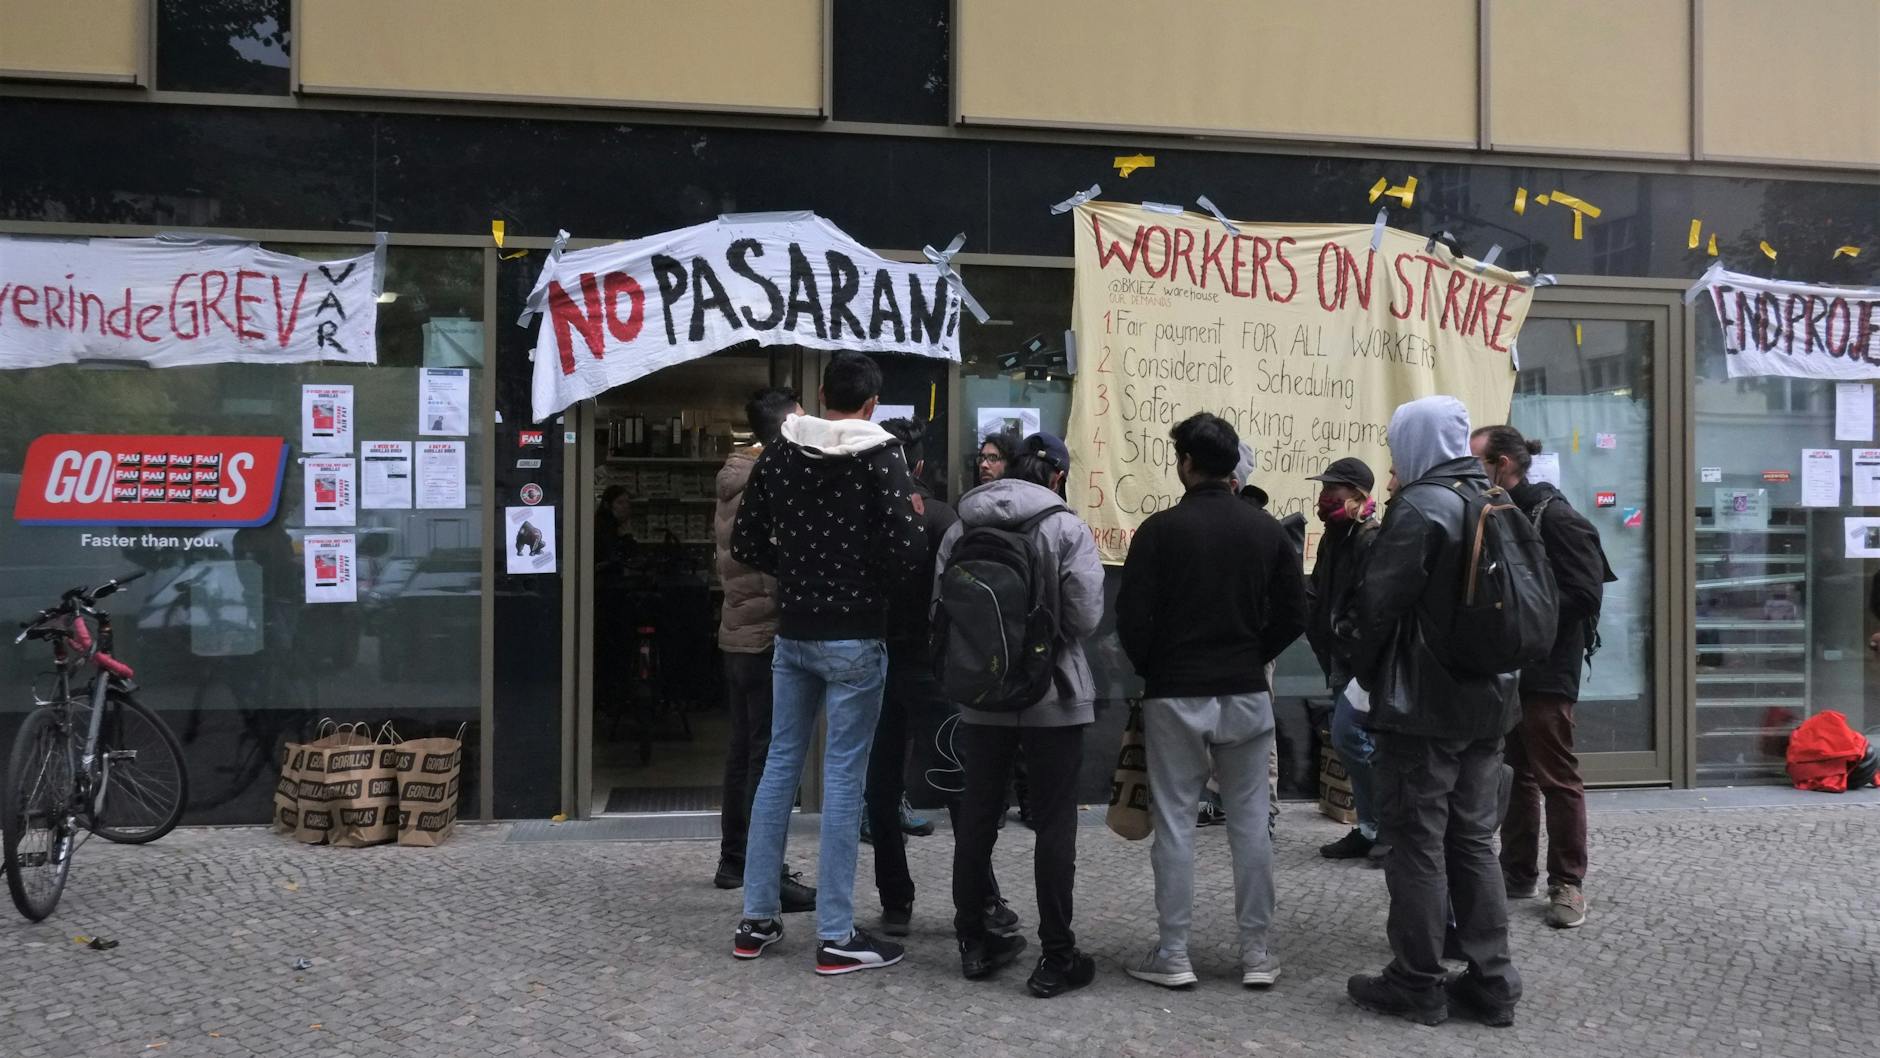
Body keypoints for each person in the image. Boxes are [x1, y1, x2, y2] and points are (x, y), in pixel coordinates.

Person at [728, 352, 925, 975]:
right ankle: (837, 935)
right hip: (857, 634)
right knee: (843, 780)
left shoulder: (783, 450)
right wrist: (864, 583)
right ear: (871, 405)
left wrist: (802, 575)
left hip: (794, 631)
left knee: (779, 769)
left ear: (819, 392)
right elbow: (907, 548)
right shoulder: (882, 453)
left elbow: (747, 541)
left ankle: (757, 918)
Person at [1347, 395, 1522, 1027]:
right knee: (1474, 840)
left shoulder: (1421, 505)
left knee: (1417, 843)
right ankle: (1492, 980)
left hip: (1423, 706)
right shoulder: (1497, 500)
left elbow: (1377, 606)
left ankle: (1417, 979)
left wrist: (1364, 678)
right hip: (1492, 702)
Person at [1118, 413, 1306, 991]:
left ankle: (1174, 953)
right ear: (1233, 467)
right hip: (1245, 691)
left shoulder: (1160, 530)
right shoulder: (1268, 531)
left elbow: (1130, 619)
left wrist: (1157, 667)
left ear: (1186, 464)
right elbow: (1295, 614)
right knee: (1250, 823)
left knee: (1174, 823)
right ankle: (1257, 952)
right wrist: (1252, 655)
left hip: (1176, 692)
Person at [939, 431, 1105, 998]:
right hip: (1052, 695)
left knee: (978, 816)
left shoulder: (963, 528)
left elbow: (941, 609)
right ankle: (1057, 956)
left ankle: (974, 941)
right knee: (1054, 822)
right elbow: (1083, 616)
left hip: (981, 697)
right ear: (1052, 476)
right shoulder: (1065, 528)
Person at [864, 416, 1003, 938]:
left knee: (880, 786)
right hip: (931, 666)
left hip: (874, 662)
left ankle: (896, 902)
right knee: (955, 781)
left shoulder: (861, 517)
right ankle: (982, 898)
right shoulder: (945, 518)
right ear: (921, 465)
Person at [1472, 425, 1611, 930]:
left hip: (1549, 668)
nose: (1473, 472)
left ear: (1504, 464)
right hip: (1510, 665)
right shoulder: (1500, 511)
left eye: (1479, 462)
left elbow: (1585, 595)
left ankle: (1568, 882)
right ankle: (1516, 872)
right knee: (1516, 770)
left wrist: (1522, 617)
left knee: (1556, 775)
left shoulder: (1554, 515)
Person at [711, 387, 816, 915]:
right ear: (786, 425)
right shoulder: (770, 476)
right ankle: (765, 873)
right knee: (767, 756)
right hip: (765, 634)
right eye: (802, 419)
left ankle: (735, 860)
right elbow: (774, 558)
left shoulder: (734, 474)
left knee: (742, 750)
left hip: (736, 630)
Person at [1304, 457, 1386, 864]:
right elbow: (1320, 589)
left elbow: (1372, 603)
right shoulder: (1334, 536)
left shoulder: (1370, 537)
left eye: (1331, 489)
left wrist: (1344, 633)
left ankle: (1386, 827)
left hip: (1358, 660)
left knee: (1350, 737)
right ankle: (1371, 827)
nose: (1322, 497)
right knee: (1350, 739)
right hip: (1338, 657)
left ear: (1356, 494)